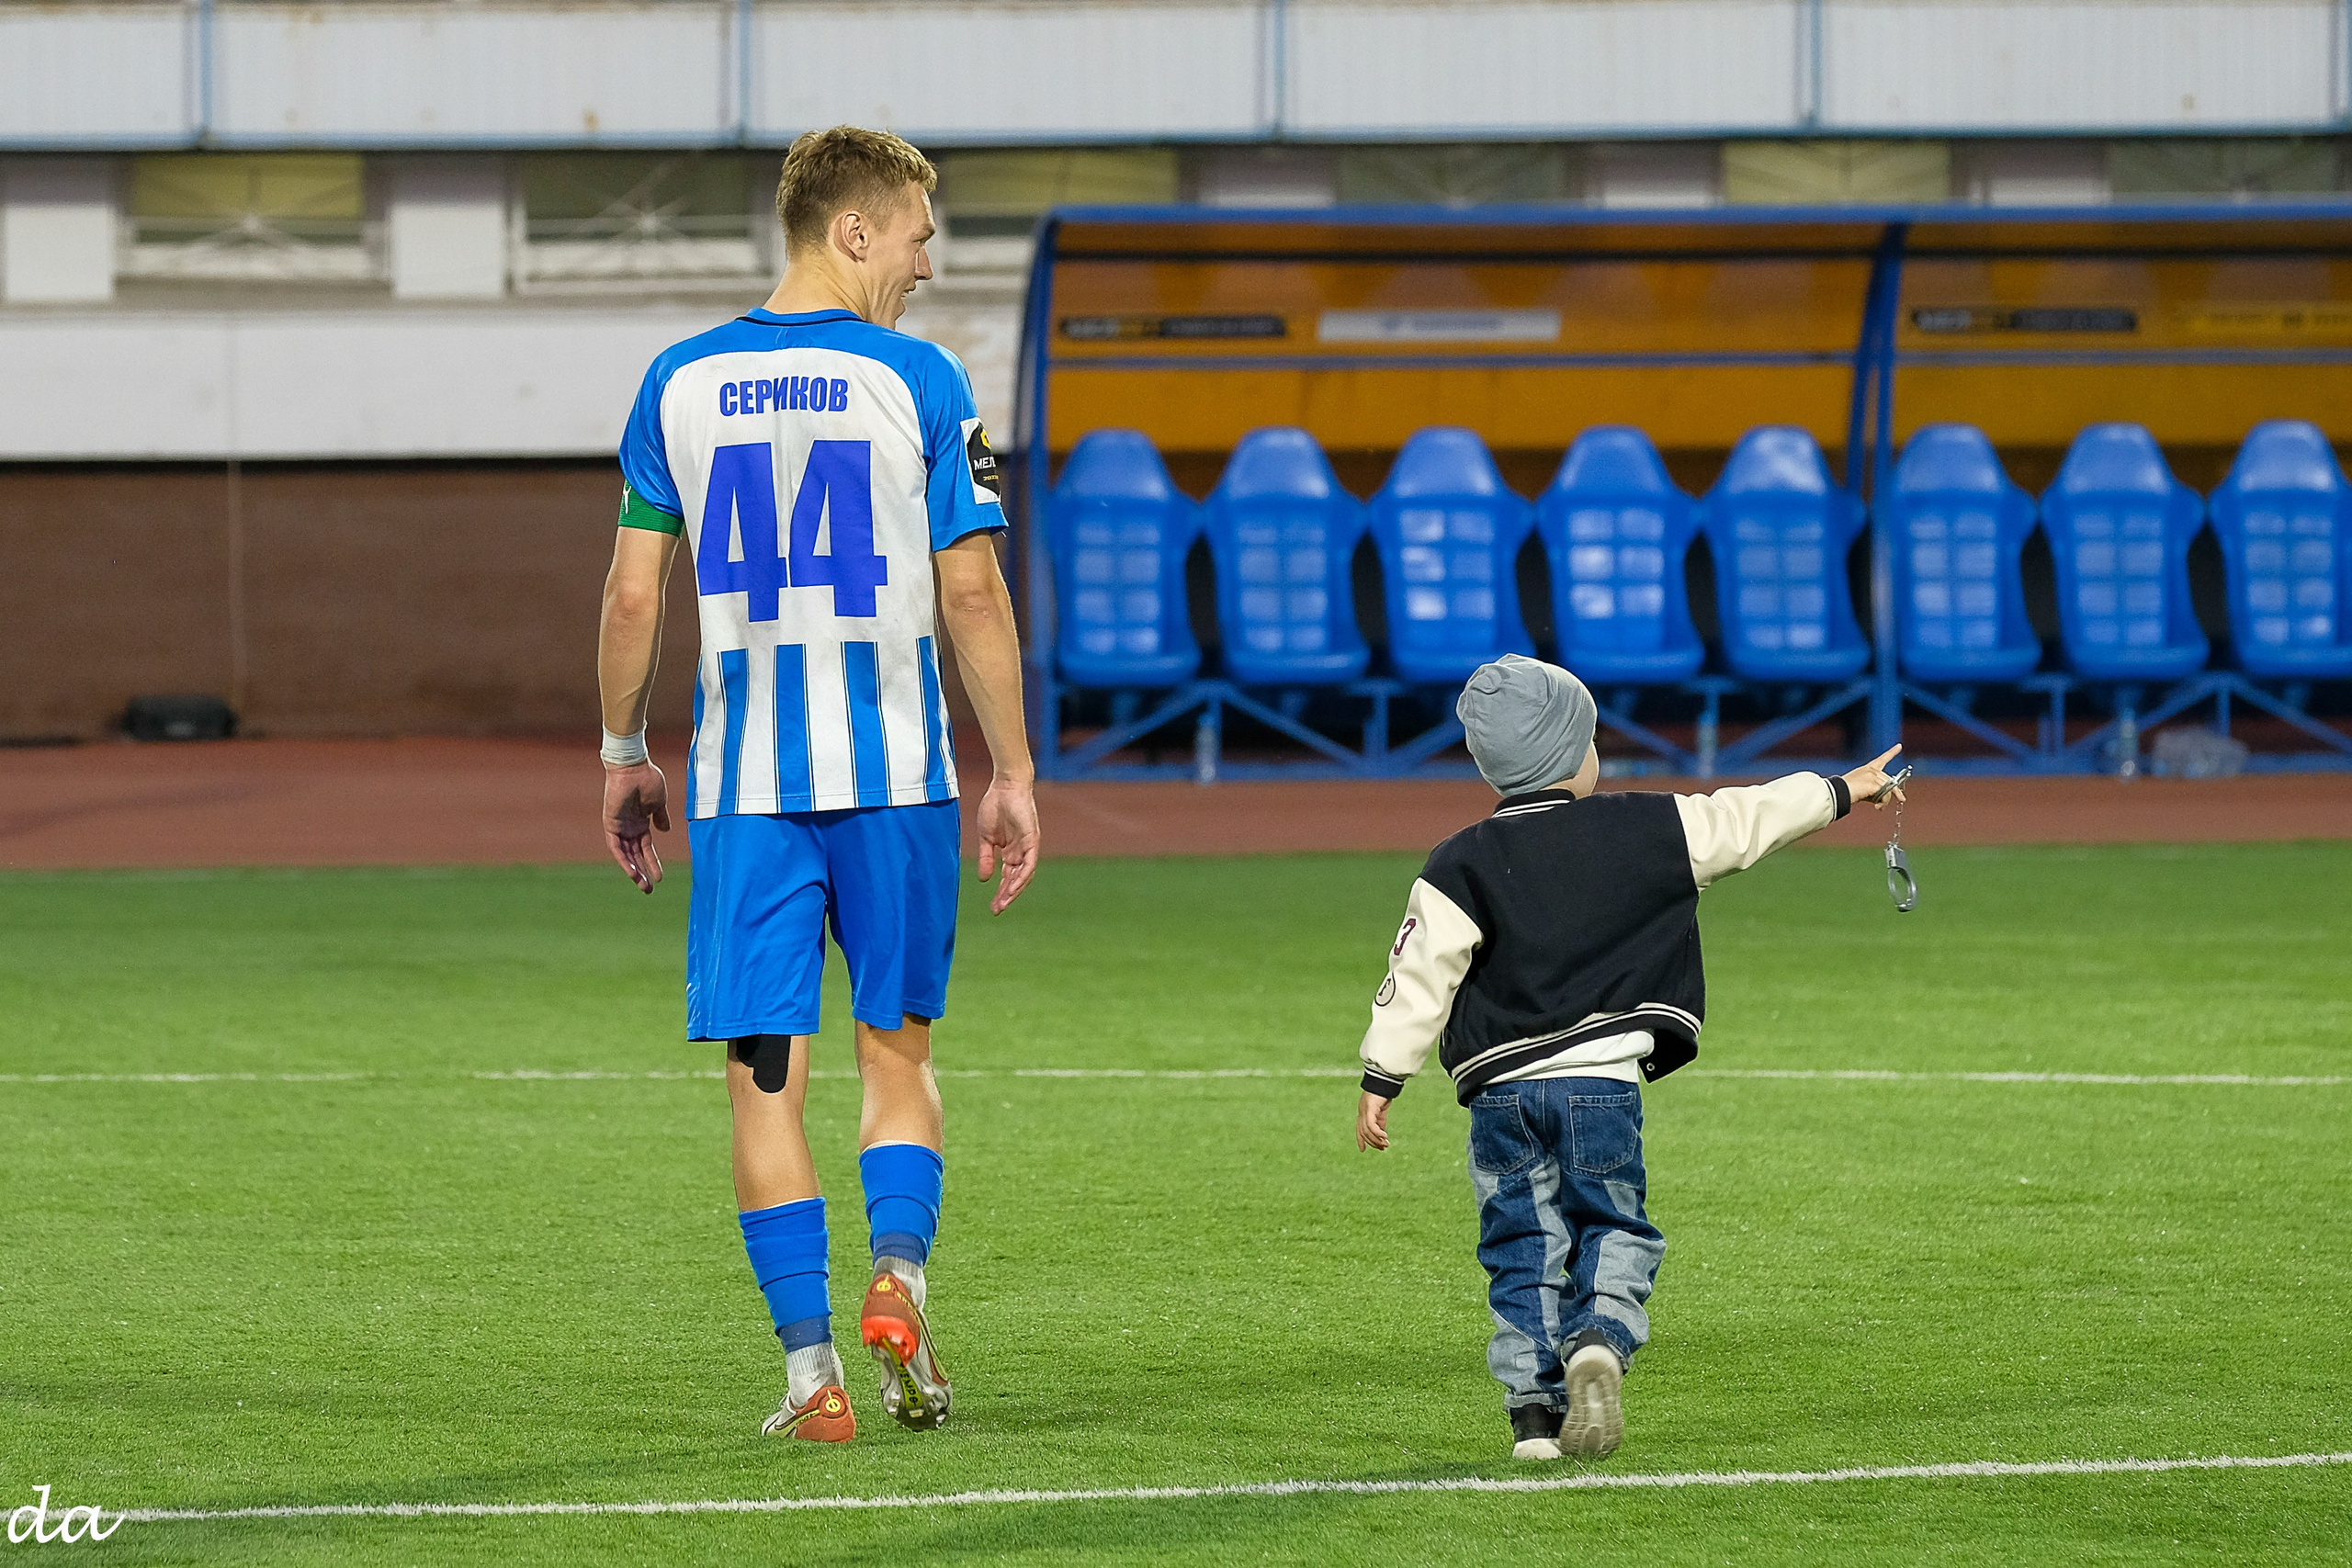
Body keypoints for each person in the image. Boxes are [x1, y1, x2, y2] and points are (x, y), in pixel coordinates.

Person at [593, 125, 1040, 1443]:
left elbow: (633, 595)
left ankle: (812, 1376)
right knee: (896, 1055)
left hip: (743, 796)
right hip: (896, 779)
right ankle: (899, 1271)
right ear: (853, 229)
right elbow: (972, 590)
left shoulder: (675, 380)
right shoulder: (923, 378)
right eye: (916, 235)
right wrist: (1013, 770)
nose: (925, 262)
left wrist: (623, 754)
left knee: (764, 1082)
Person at [1353, 654, 1900, 1461]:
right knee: (1612, 1223)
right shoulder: (1647, 827)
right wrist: (1843, 790)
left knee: (1520, 1248)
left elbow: (1418, 971)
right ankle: (1599, 1338)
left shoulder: (1458, 861)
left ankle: (1533, 1420)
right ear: (1571, 751)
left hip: (1500, 1098)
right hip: (1601, 1086)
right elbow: (1748, 818)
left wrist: (1382, 1075)